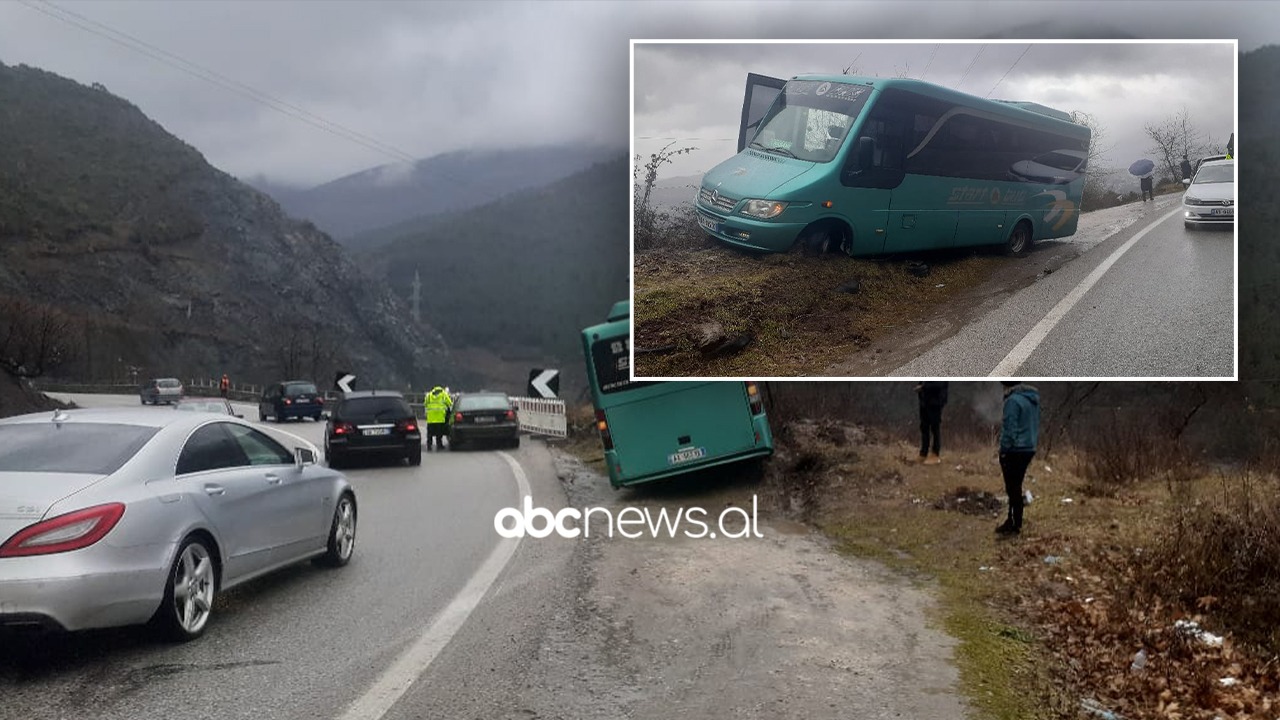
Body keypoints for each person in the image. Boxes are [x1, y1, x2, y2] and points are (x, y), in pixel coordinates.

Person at [996, 381, 1039, 537]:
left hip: (1015, 450)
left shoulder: (1012, 401)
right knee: (1016, 486)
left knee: (1012, 488)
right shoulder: (1031, 398)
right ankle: (1014, 521)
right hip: (1029, 447)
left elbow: (1010, 428)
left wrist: (1004, 449)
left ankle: (1014, 525)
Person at [915, 381, 948, 465]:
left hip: (936, 401)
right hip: (925, 401)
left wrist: (923, 387)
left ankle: (935, 454)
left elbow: (939, 384)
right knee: (924, 427)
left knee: (935, 427)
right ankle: (923, 453)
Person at [423, 385, 453, 451]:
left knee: (430, 434)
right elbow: (450, 404)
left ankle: (429, 446)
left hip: (431, 419)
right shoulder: (444, 395)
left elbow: (425, 404)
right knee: (439, 434)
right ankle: (439, 445)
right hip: (440, 418)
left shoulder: (429, 395)